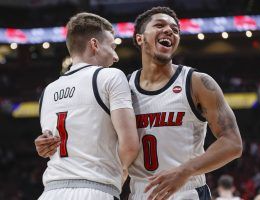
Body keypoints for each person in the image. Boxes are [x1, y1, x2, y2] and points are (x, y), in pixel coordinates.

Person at [35, 7, 243, 200]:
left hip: (187, 190)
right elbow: (93, 133)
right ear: (140, 38)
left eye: (175, 29)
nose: (170, 31)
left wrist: (186, 170)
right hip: (139, 192)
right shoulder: (121, 87)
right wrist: (51, 141)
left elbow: (233, 143)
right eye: (160, 25)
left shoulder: (196, 83)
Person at [36, 12, 139, 200]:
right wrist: (120, 175)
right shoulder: (110, 76)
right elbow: (130, 145)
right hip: (95, 189)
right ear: (94, 45)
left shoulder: (48, 90)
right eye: (112, 46)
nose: (116, 57)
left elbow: (48, 145)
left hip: (49, 192)